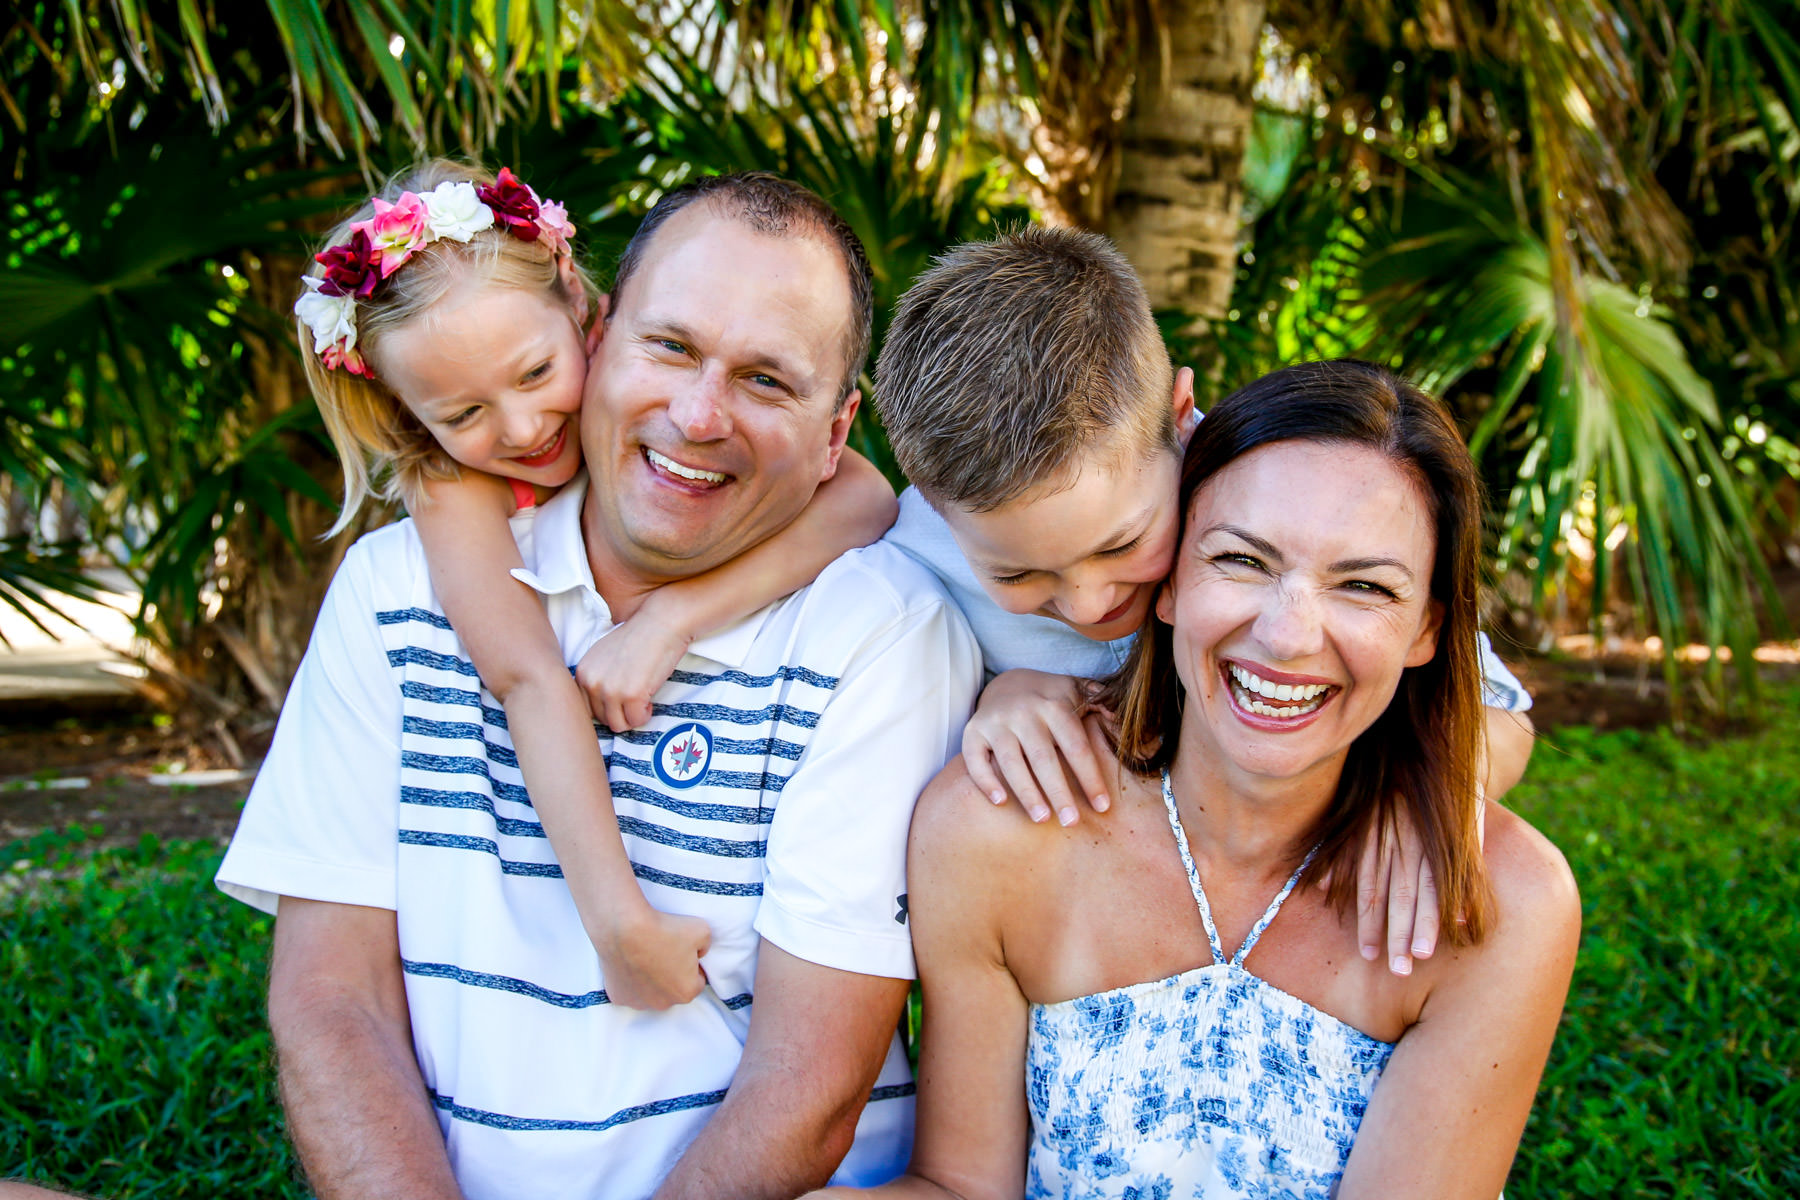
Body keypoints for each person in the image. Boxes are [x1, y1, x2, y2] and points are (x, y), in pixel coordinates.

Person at [216, 172, 981, 1199]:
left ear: (838, 430)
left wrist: (674, 619)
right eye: (670, 347)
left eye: (767, 380)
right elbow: (329, 1000)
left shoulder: (882, 632)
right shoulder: (398, 590)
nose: (699, 415)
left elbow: (807, 1091)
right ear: (602, 330)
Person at [815, 359, 1580, 1199]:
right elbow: (961, 1186)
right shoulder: (996, 829)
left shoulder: (1499, 904)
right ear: (1171, 577)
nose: (1288, 635)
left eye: (1363, 585)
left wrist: (1438, 784)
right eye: (1244, 561)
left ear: (1429, 628)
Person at [290, 159, 899, 1009]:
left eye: (538, 375)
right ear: (408, 415)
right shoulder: (455, 486)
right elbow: (529, 679)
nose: (523, 426)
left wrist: (676, 618)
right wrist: (618, 925)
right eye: (462, 415)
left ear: (584, 308)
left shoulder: (651, 389)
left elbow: (866, 496)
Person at [877, 227, 1538, 975]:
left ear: (1182, 416)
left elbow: (1502, 713)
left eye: (1122, 544)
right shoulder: (914, 555)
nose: (1091, 602)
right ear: (933, 507)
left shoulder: (1258, 497)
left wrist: (1428, 792)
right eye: (1015, 576)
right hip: (1084, 909)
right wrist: (993, 697)